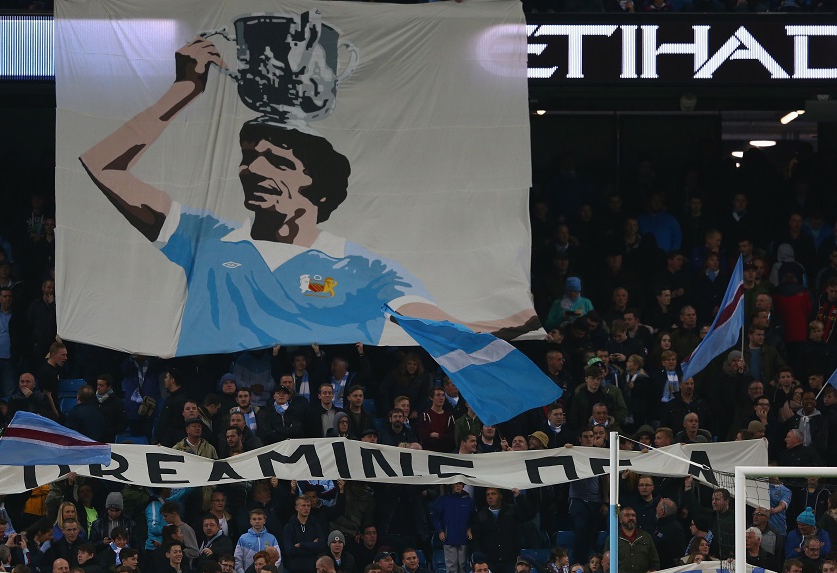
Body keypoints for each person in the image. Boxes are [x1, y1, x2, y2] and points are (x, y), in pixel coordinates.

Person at [78, 37, 538, 356]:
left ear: (317, 189)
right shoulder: (205, 237)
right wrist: (183, 90)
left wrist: (504, 325)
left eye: (277, 161)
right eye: (249, 157)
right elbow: (102, 164)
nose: (252, 168)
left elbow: (437, 324)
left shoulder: (366, 269)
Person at [614, 507, 659, 573]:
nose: (631, 518)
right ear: (620, 520)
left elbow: (655, 561)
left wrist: (652, 571)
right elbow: (607, 563)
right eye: (627, 515)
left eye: (633, 515)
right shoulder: (613, 539)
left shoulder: (646, 536)